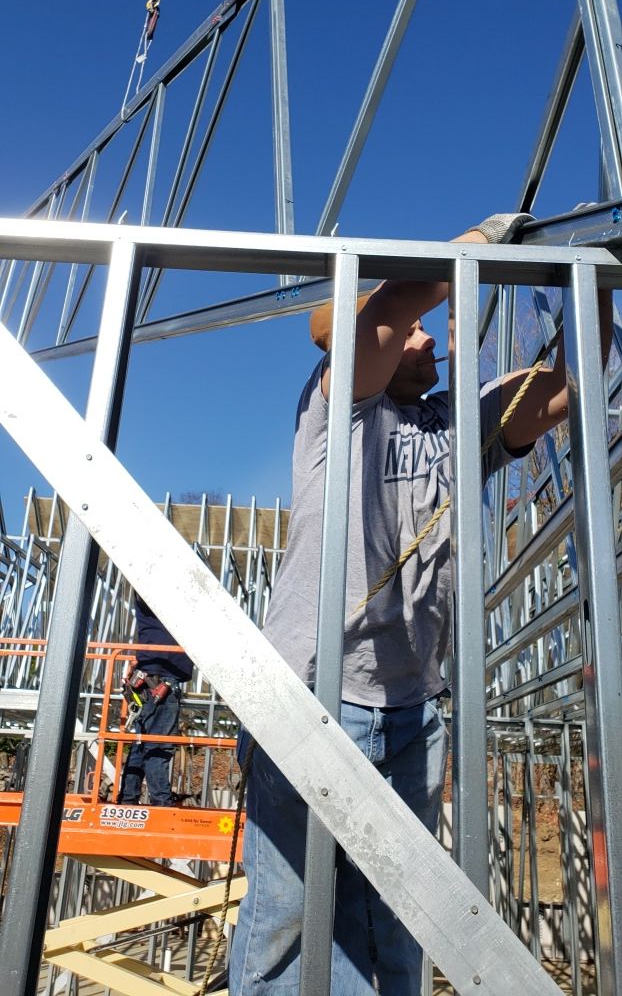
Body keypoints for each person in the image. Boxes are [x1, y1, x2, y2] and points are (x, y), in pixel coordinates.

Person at [229, 213, 611, 995]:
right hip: (311, 687)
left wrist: (590, 274)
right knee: (288, 921)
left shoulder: (456, 423)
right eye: (416, 335)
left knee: (397, 928)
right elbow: (396, 303)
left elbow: (571, 383)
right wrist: (481, 242)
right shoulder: (339, 407)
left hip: (411, 710)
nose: (432, 340)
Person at [118, 594, 194, 807]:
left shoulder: (152, 595)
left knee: (141, 744)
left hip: (150, 680)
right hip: (163, 683)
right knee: (157, 748)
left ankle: (128, 799)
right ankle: (161, 803)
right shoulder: (164, 593)